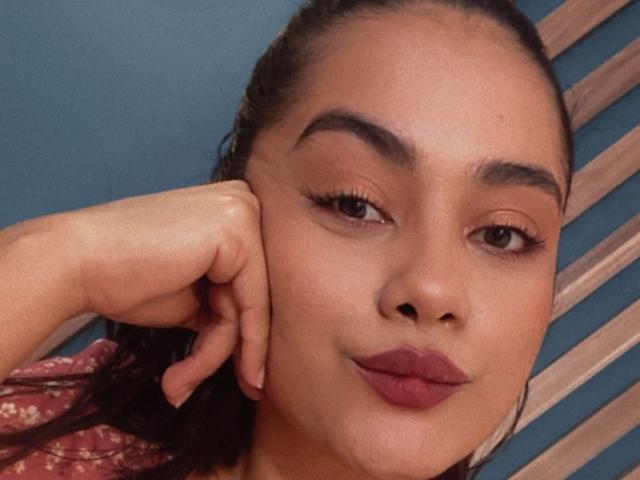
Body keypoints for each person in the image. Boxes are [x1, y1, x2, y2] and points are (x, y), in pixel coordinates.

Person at [0, 0, 574, 478]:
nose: (431, 289)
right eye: (354, 204)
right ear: (234, 203)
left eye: (503, 234)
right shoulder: (48, 445)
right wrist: (60, 259)